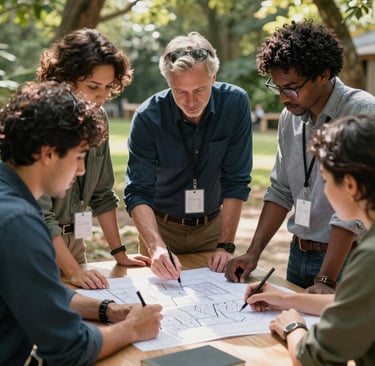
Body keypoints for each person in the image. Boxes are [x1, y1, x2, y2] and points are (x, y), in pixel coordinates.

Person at [0, 81, 162, 365]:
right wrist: (133, 328)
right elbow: (70, 349)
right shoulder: (20, 223)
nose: (82, 170)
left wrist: (106, 310)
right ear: (49, 153)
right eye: (78, 157)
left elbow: (35, 290)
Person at [225, 20, 375, 293]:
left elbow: (354, 204)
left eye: (292, 87)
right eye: (278, 88)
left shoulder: (363, 112)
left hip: (347, 260)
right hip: (299, 254)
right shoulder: (290, 117)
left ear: (323, 74)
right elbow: (280, 190)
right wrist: (253, 253)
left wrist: (326, 278)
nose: (283, 98)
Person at [244, 114, 375, 365]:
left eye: (326, 181)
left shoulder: (370, 256)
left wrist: (292, 326)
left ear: (350, 185)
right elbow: (352, 303)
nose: (324, 191)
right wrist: (285, 299)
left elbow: (314, 357)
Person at [124, 31, 252, 280]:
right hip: (160, 228)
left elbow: (236, 181)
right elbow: (138, 190)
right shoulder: (146, 117)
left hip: (212, 228)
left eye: (200, 90)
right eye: (180, 91)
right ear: (168, 82)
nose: (191, 101)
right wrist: (156, 246)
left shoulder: (235, 104)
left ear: (213, 77)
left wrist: (226, 245)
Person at [36, 28, 150, 289]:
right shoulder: (40, 122)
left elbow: (102, 193)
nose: (102, 96)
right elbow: (39, 214)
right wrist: (73, 270)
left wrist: (119, 252)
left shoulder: (100, 120)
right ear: (66, 79)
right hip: (38, 246)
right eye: (93, 86)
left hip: (76, 245)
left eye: (108, 87)